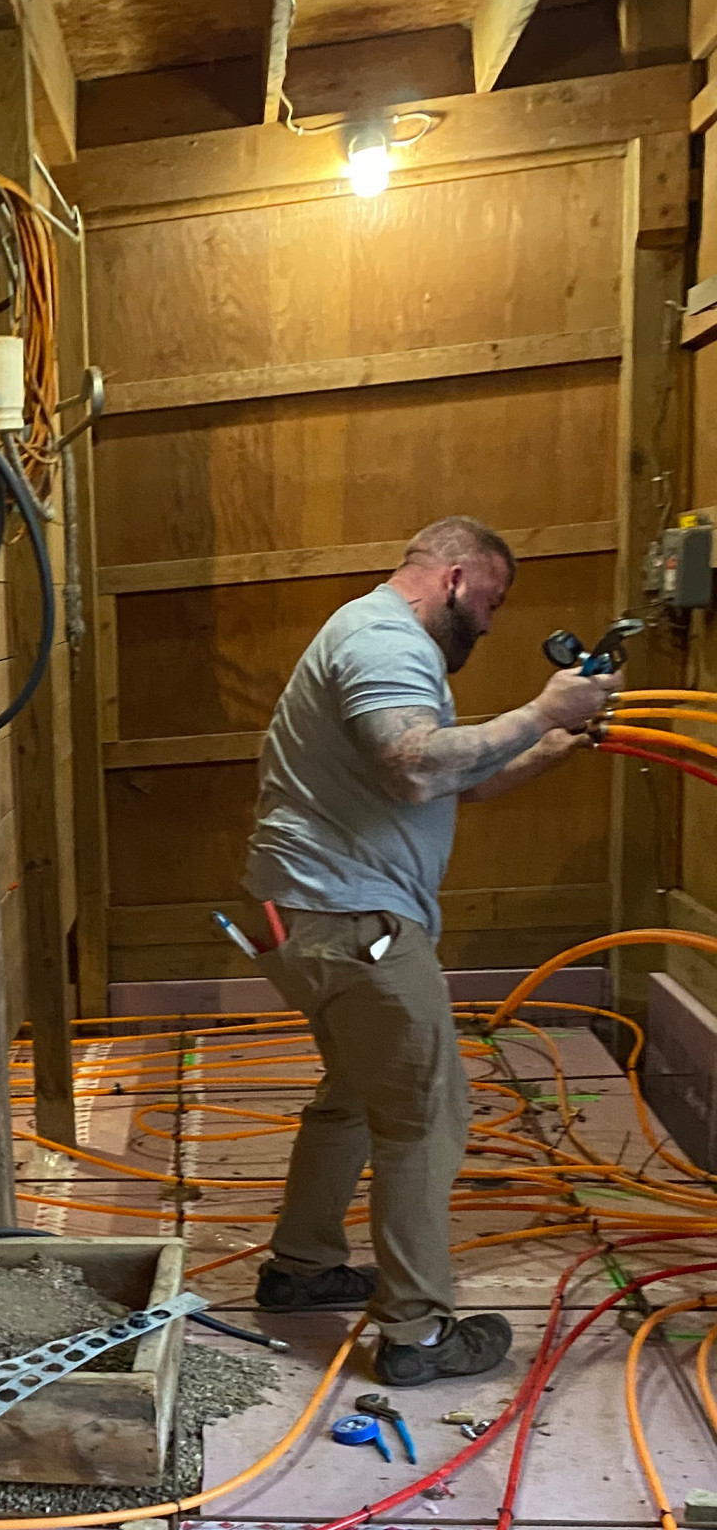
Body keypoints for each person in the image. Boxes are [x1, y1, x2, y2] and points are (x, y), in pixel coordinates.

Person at [244, 515, 621, 1386]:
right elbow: (416, 767)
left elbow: (459, 776)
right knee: (427, 1117)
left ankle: (300, 1269)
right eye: (490, 600)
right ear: (454, 577)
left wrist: (554, 740)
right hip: (355, 924)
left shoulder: (376, 641)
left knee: (351, 1094)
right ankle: (415, 1336)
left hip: (303, 917)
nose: (490, 625)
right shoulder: (383, 640)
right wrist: (539, 707)